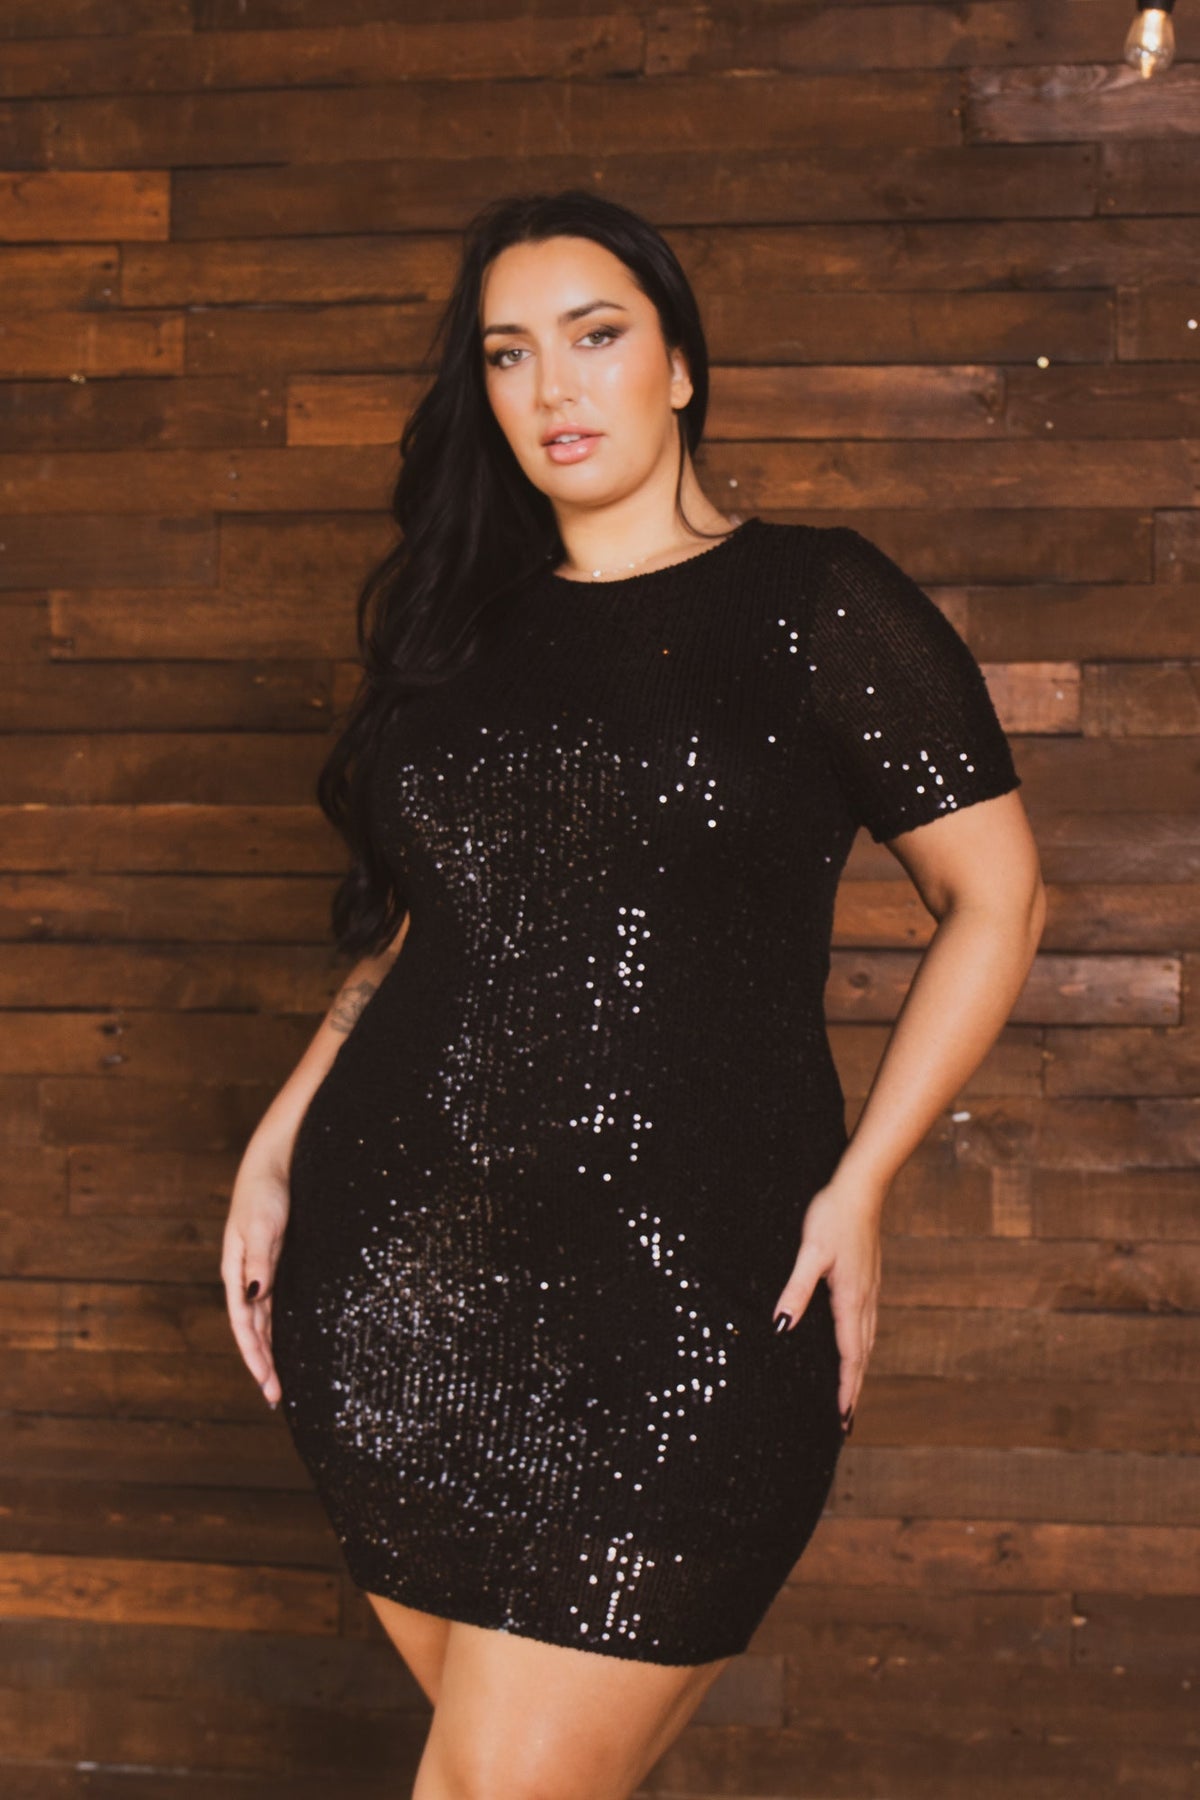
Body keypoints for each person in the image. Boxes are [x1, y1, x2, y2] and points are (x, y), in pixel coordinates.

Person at [221, 189, 1045, 1799]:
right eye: (508, 354)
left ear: (679, 365)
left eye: (595, 337)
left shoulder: (815, 603)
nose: (554, 387)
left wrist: (864, 1183)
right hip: (402, 1291)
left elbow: (996, 898)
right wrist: (276, 1137)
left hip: (693, 1292)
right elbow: (431, 931)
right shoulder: (464, 632)